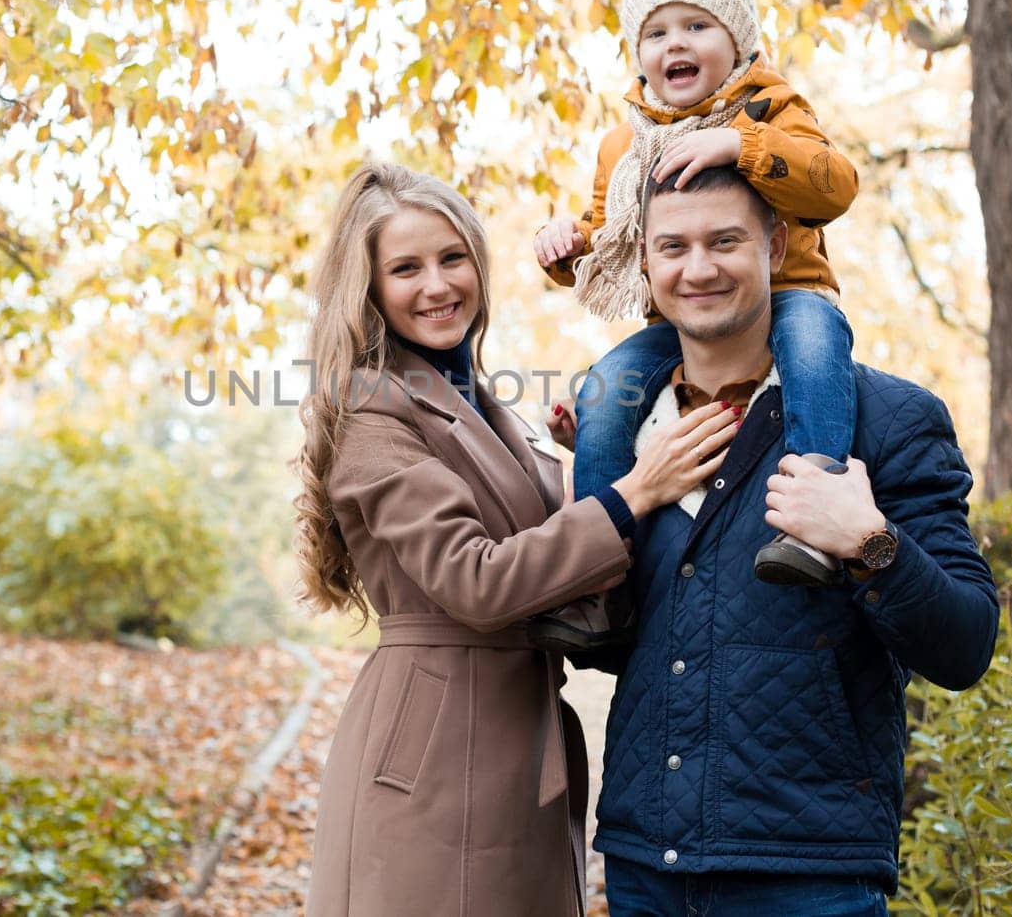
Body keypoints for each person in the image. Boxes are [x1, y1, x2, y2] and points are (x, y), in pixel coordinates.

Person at [296, 161, 740, 917]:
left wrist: (579, 462)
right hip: (436, 741)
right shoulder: (373, 411)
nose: (437, 285)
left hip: (515, 726)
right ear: (367, 287)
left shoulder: (479, 397)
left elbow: (540, 547)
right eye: (405, 268)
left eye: (452, 257)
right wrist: (640, 487)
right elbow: (478, 580)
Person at [562, 163, 998, 916]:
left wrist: (869, 539)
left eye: (724, 240)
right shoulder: (622, 427)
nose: (698, 268)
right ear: (646, 262)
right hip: (642, 867)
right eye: (674, 247)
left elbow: (966, 644)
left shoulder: (888, 418)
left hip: (811, 877)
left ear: (775, 245)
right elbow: (602, 644)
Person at [530, 0, 861, 652]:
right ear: (637, 52)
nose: (675, 42)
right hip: (675, 323)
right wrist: (563, 248)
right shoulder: (625, 142)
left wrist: (740, 143)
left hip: (791, 293)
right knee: (604, 389)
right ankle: (601, 578)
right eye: (656, 31)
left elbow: (834, 185)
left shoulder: (770, 106)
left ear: (737, 38)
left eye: (697, 26)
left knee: (815, 351)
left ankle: (810, 517)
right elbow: (607, 237)